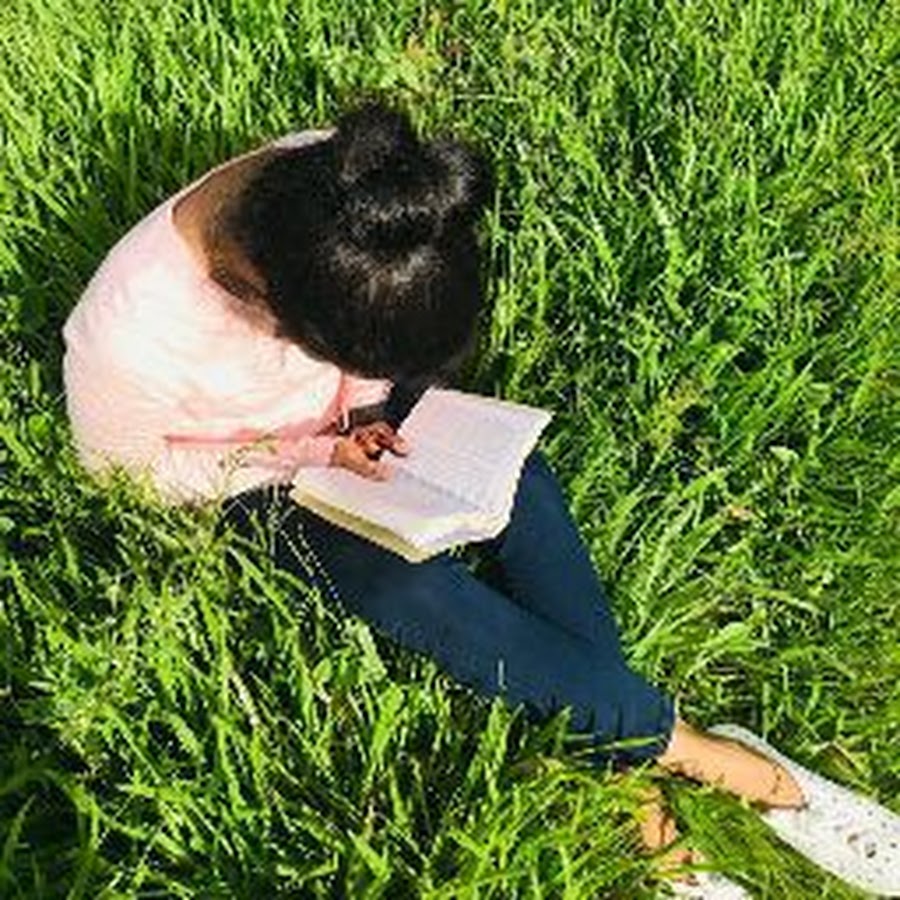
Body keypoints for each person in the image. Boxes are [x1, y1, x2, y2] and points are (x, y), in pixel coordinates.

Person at [62, 103, 897, 897]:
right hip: (260, 475)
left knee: (514, 480)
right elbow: (126, 472)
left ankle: (619, 757)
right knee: (407, 589)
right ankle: (701, 760)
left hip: (357, 399)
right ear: (269, 308)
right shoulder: (126, 335)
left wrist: (364, 407)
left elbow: (377, 360)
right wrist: (312, 453)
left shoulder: (353, 191)